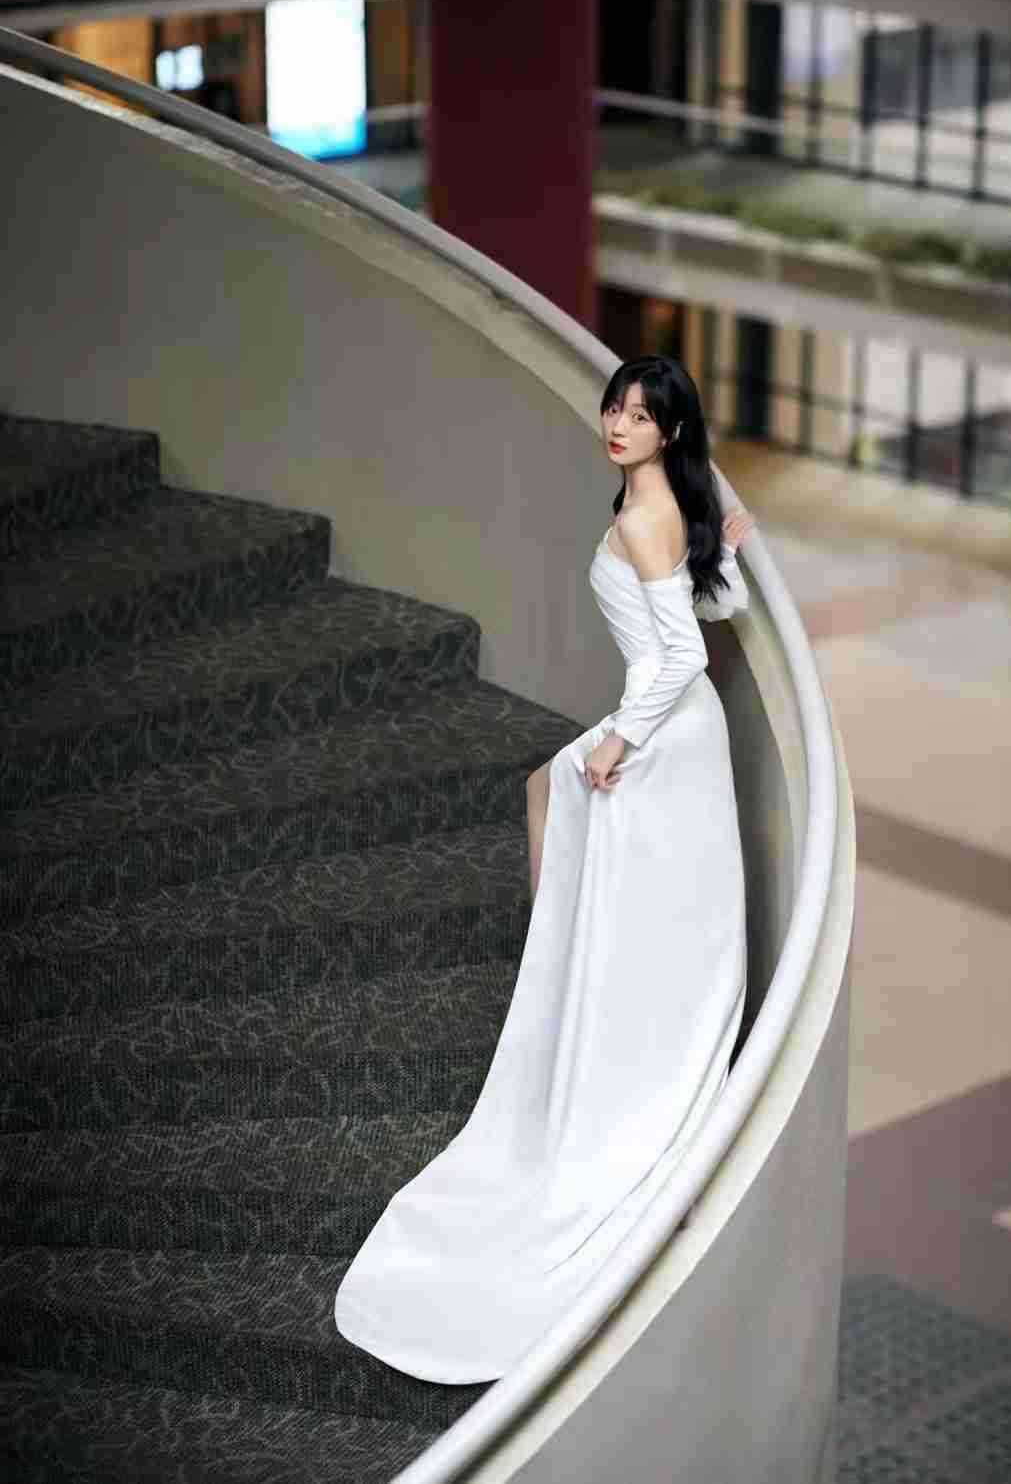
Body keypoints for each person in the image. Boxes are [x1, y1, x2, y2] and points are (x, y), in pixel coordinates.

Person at [335, 354, 754, 1384]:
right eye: (615, 406)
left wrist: (617, 742)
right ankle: (562, 975)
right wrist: (732, 553)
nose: (617, 423)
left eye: (640, 416)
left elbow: (684, 657)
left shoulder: (647, 517)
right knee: (546, 796)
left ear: (669, 433)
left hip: (665, 730)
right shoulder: (659, 505)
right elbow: (706, 612)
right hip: (673, 725)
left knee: (560, 797)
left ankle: (570, 993)